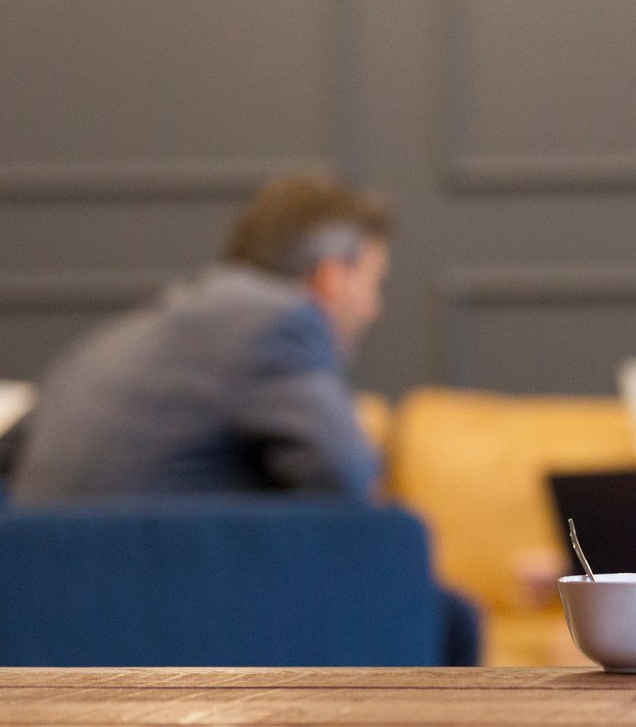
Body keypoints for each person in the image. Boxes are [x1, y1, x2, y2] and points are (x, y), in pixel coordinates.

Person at [7, 173, 391, 502]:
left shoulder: (113, 343)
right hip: (150, 580)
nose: (373, 307)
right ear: (332, 278)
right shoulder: (279, 322)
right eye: (372, 283)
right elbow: (350, 484)